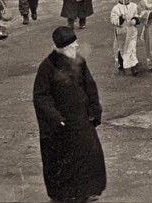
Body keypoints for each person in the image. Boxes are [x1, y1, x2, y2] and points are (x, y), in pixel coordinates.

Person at [33, 27, 106, 202]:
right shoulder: (47, 67)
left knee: (88, 156)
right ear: (63, 49)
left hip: (81, 119)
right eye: (73, 45)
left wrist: (95, 109)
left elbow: (90, 86)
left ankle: (88, 191)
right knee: (63, 162)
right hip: (62, 124)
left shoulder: (79, 61)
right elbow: (41, 97)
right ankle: (65, 195)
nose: (77, 46)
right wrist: (55, 118)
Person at [109, 0, 141, 76]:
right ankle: (121, 65)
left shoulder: (133, 6)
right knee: (122, 48)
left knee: (132, 47)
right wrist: (121, 18)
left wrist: (135, 19)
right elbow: (113, 20)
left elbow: (138, 14)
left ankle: (134, 67)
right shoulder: (116, 8)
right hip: (121, 32)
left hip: (132, 31)